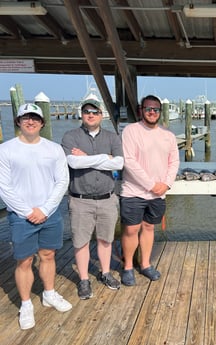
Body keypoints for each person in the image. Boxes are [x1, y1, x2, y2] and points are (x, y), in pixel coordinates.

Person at [0, 103, 71, 330]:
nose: (30, 122)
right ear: (18, 122)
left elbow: (62, 181)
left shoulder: (53, 149)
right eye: (25, 118)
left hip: (49, 213)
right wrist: (28, 211)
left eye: (35, 118)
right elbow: (4, 186)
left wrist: (45, 209)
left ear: (42, 123)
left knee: (48, 255)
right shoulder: (6, 149)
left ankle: (49, 293)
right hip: (21, 216)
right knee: (24, 260)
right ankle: (26, 303)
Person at [61, 99, 124, 299]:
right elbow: (73, 162)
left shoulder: (113, 137)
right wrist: (105, 158)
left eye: (95, 112)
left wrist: (86, 158)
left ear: (101, 115)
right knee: (80, 241)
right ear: (82, 114)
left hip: (107, 198)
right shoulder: (70, 136)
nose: (91, 114)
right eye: (87, 111)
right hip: (80, 199)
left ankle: (105, 273)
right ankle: (84, 279)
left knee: (106, 239)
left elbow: (120, 163)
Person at [120, 95, 180, 286]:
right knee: (131, 229)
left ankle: (145, 264)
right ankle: (128, 266)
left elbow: (174, 162)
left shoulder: (168, 135)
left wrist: (166, 183)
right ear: (141, 110)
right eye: (148, 109)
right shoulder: (130, 131)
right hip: (133, 191)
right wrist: (150, 184)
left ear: (160, 112)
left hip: (158, 193)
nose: (152, 112)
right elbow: (129, 161)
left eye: (155, 109)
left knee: (149, 228)